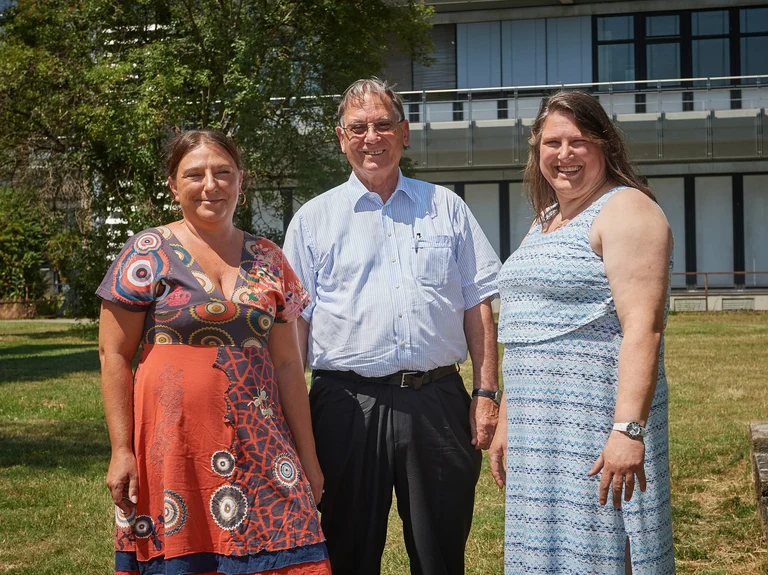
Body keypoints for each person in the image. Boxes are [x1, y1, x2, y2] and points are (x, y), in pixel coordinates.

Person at [283, 77, 502, 575]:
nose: (371, 138)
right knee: (347, 552)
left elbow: (478, 305)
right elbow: (292, 329)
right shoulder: (313, 220)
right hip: (344, 406)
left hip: (438, 403)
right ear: (340, 137)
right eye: (357, 127)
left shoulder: (447, 207)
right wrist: (290, 414)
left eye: (383, 125)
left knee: (441, 553)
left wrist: (486, 394)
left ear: (405, 133)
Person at [97, 130, 330, 575]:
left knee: (289, 547)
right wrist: (121, 449)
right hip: (172, 448)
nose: (211, 185)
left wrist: (309, 456)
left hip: (261, 442)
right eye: (195, 174)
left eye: (223, 172)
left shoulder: (269, 257)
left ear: (241, 180)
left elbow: (286, 364)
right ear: (173, 185)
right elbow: (113, 354)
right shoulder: (146, 252)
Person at [488, 89, 675, 574]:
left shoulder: (627, 210)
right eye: (552, 143)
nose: (564, 154)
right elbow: (525, 325)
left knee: (603, 550)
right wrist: (509, 419)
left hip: (597, 430)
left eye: (578, 141)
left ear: (605, 145)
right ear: (537, 149)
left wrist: (627, 431)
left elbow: (644, 329)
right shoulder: (547, 219)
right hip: (541, 436)